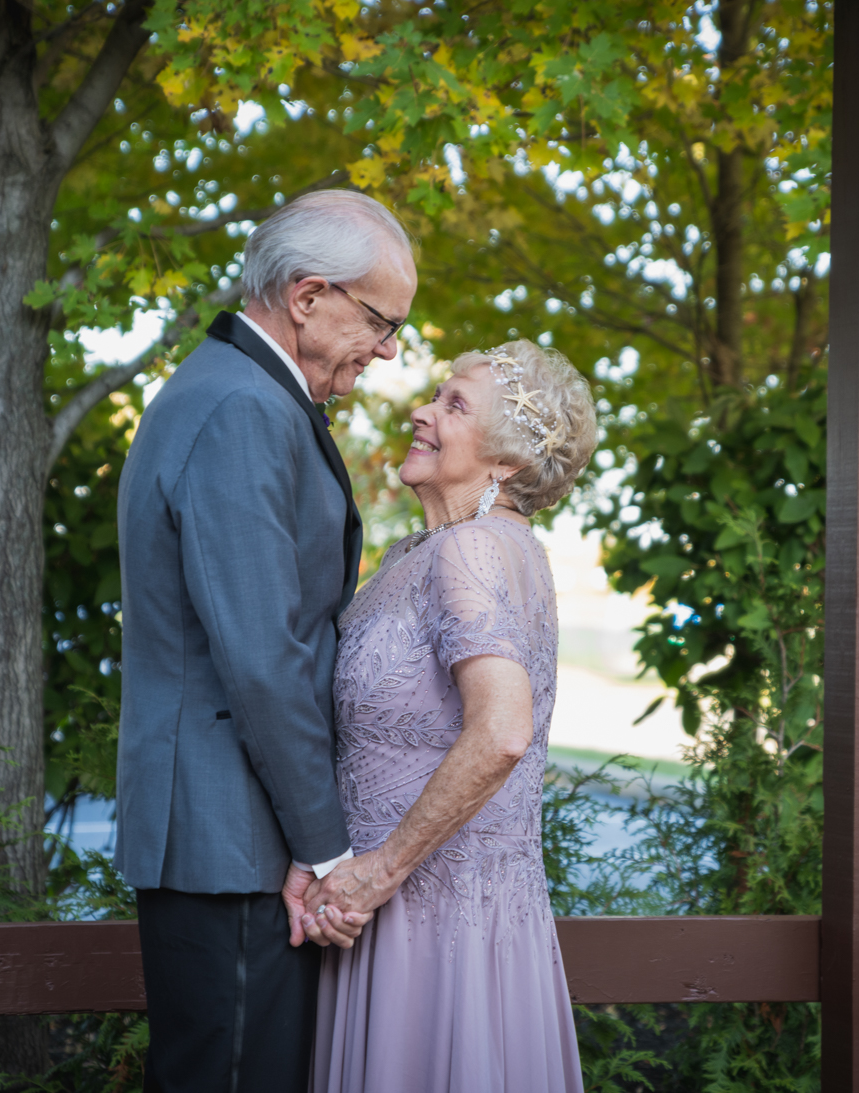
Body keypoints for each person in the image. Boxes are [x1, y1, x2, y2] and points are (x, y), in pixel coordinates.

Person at [113, 189, 416, 1093]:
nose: (392, 348)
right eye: (382, 320)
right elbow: (262, 654)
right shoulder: (242, 407)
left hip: (232, 838)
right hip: (231, 844)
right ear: (309, 295)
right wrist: (326, 853)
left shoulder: (239, 392)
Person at [302, 340, 598, 1093]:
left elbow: (502, 731)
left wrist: (378, 872)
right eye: (435, 396)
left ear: (508, 462)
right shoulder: (438, 549)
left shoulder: (470, 551)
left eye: (454, 405)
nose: (422, 413)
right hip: (432, 918)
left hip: (427, 927)